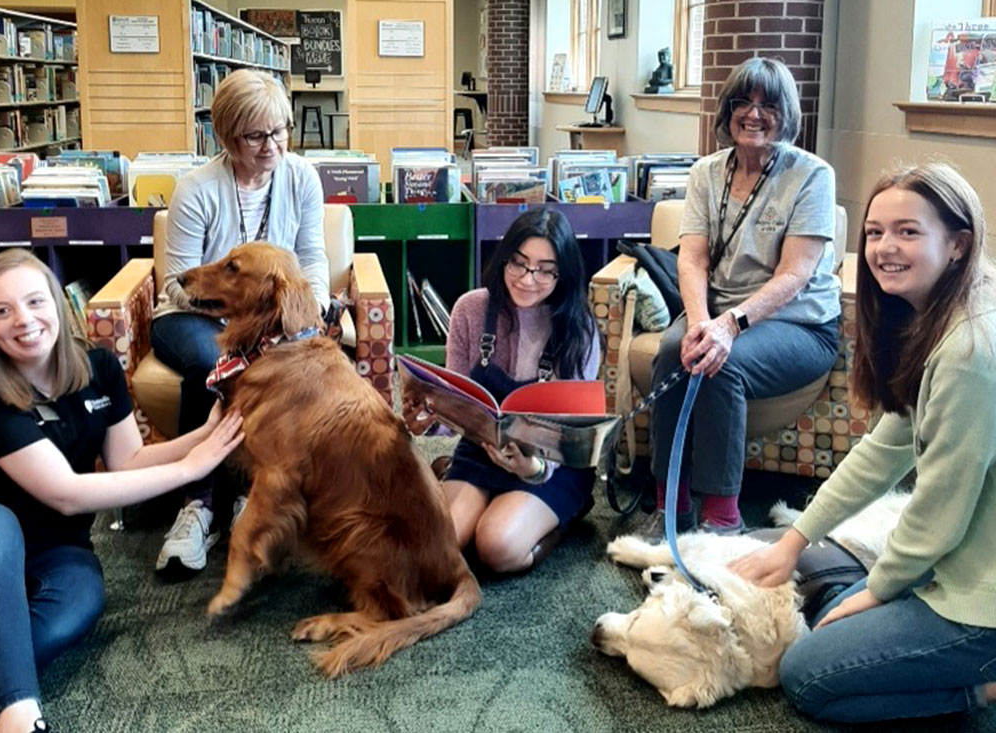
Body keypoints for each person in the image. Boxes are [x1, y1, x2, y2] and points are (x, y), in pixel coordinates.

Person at [730, 162, 996, 723]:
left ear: (958, 244)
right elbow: (881, 451)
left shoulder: (968, 354)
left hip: (982, 601)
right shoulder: (941, 319)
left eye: (908, 231)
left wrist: (876, 591)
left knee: (807, 675)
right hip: (958, 563)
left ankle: (983, 689)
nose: (884, 248)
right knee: (819, 593)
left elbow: (939, 511)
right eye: (875, 232)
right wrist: (794, 540)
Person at [0, 249, 244, 733]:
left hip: (58, 549)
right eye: (1, 311)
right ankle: (20, 714)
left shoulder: (98, 367)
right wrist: (192, 467)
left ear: (57, 302)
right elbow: (66, 493)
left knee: (80, 604)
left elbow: (128, 461)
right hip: (1, 536)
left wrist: (205, 435)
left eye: (34, 301)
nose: (23, 320)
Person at [645, 57, 840, 537]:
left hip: (798, 322)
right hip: (715, 310)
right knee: (672, 352)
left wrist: (728, 327)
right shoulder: (706, 172)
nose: (754, 114)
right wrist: (700, 324)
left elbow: (795, 273)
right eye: (742, 103)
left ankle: (722, 517)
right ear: (727, 111)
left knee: (722, 364)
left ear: (786, 113)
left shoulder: (812, 175)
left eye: (768, 105)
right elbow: (692, 259)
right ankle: (671, 503)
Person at [150, 68, 330, 573]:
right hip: (192, 317)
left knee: (286, 365)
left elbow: (312, 256)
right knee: (215, 363)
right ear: (228, 136)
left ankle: (254, 495)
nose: (272, 145)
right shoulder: (196, 189)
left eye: (280, 130)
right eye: (255, 136)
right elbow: (177, 283)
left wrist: (310, 308)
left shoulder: (302, 177)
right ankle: (199, 505)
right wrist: (235, 315)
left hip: (267, 321)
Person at [403, 208, 600, 574]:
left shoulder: (579, 327)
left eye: (545, 270)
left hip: (551, 464)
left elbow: (572, 433)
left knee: (496, 548)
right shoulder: (471, 309)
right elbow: (454, 401)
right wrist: (429, 420)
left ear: (564, 273)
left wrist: (534, 468)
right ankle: (470, 486)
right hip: (481, 450)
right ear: (504, 258)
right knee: (436, 547)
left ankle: (562, 519)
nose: (527, 279)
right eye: (519, 263)